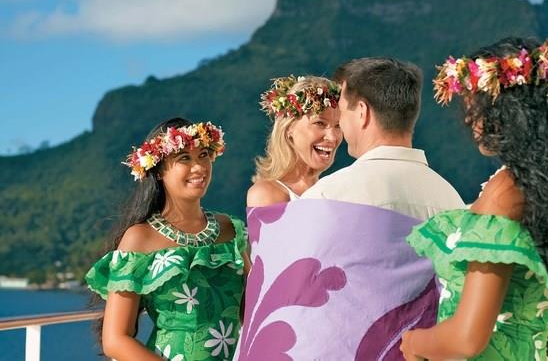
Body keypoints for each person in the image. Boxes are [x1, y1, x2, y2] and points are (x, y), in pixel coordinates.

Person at [235, 59, 463, 361]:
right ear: (289, 130)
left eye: (338, 121)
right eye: (320, 123)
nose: (333, 135)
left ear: (362, 113)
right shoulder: (451, 198)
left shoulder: (332, 194)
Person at [401, 37, 548, 360]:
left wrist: (413, 343)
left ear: (510, 111)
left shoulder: (504, 194)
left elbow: (467, 339)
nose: (470, 119)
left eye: (476, 107)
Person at [86, 117, 250, 361]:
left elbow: (252, 312)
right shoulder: (140, 239)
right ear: (159, 170)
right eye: (184, 158)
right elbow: (115, 340)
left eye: (203, 155)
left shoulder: (230, 229)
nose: (199, 167)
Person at [303, 57, 464, 218]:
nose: (341, 123)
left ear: (362, 112)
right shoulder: (452, 201)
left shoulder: (326, 198)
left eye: (342, 112)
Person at [247, 75, 343, 206]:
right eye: (320, 123)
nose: (332, 137)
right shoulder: (266, 194)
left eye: (338, 126)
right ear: (289, 127)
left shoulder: (335, 192)